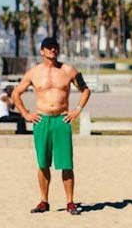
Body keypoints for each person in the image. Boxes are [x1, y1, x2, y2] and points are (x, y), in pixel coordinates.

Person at [12, 37, 91, 215]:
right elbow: (16, 93)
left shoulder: (68, 70)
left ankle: (70, 203)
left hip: (61, 121)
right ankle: (43, 201)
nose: (53, 50)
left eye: (55, 47)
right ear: (42, 51)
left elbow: (85, 90)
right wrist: (25, 114)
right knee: (43, 164)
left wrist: (77, 109)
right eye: (49, 48)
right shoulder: (33, 73)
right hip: (42, 121)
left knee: (66, 164)